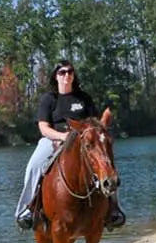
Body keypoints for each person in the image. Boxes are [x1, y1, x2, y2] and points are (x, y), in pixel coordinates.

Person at [15, 59, 126, 231]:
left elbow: (95, 124)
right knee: (34, 166)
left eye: (70, 72)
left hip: (84, 142)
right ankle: (28, 209)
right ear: (56, 76)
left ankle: (113, 209)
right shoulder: (49, 99)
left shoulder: (83, 98)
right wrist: (62, 136)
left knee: (107, 165)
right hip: (54, 139)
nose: (67, 75)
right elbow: (43, 128)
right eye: (62, 72)